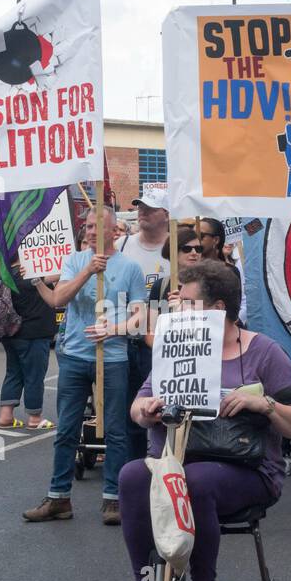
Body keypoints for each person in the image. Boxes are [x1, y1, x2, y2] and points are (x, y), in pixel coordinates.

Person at [117, 261, 291, 581]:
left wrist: (264, 404)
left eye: (188, 303)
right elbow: (137, 409)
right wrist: (147, 409)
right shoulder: (175, 347)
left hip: (244, 467)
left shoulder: (263, 352)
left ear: (218, 309)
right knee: (131, 477)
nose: (177, 310)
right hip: (175, 460)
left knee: (196, 480)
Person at [24, 205, 146, 526]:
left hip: (114, 358)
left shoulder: (130, 268)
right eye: (88, 226)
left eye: (97, 226)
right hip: (75, 357)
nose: (90, 231)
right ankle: (58, 497)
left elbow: (140, 315)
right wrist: (87, 271)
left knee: (116, 431)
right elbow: (59, 299)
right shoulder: (75, 261)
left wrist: (116, 329)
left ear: (114, 231)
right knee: (66, 429)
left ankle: (113, 499)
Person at [119, 190, 172, 460]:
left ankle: (165, 465)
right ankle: (135, 470)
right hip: (130, 342)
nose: (142, 212)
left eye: (150, 208)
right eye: (140, 207)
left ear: (166, 214)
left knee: (166, 410)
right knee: (133, 412)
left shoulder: (179, 248)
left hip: (167, 344)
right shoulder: (122, 245)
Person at [0, 261, 58, 431]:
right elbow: (60, 274)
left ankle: (6, 415)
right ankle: (35, 417)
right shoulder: (31, 271)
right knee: (34, 375)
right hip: (33, 332)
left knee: (13, 372)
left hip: (10, 331)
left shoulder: (6, 271)